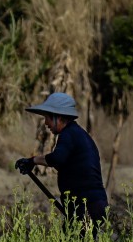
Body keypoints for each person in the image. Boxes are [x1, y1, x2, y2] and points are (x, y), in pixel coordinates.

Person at [15, 92, 108, 225]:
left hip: (86, 205)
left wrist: (32, 161)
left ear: (58, 117)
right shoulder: (78, 134)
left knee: (72, 238)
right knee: (73, 237)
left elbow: (56, 159)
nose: (46, 123)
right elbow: (69, 166)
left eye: (47, 118)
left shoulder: (69, 134)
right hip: (93, 204)